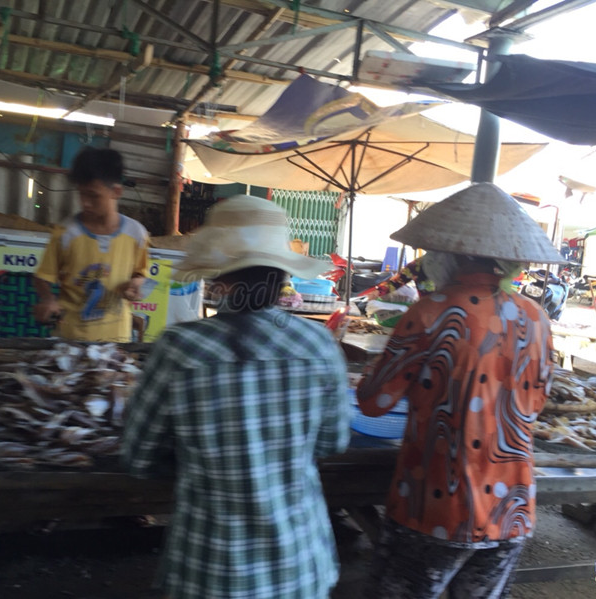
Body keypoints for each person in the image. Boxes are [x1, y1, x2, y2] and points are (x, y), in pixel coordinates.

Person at [121, 194, 351, 599]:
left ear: (220, 279)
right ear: (282, 275)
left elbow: (140, 457)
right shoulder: (318, 344)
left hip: (211, 571)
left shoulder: (179, 349)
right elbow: (333, 441)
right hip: (299, 566)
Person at [357, 183, 565, 599]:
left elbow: (374, 402)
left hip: (436, 506)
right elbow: (535, 403)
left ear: (449, 254)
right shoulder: (536, 317)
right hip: (511, 507)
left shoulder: (431, 311)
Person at [33, 146, 149, 342]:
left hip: (117, 341)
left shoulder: (136, 234)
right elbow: (42, 277)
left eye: (93, 196)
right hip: (71, 340)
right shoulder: (66, 233)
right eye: (81, 194)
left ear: (116, 192)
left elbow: (140, 272)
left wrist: (135, 284)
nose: (85, 203)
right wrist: (48, 299)